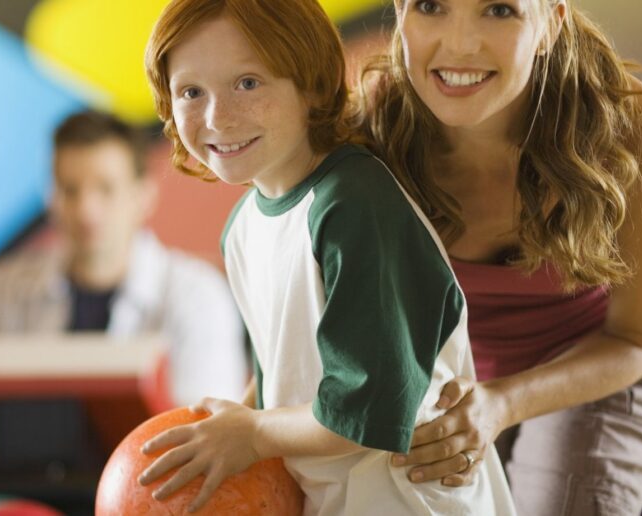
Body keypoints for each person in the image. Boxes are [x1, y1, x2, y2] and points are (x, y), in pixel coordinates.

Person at [136, 0, 516, 514]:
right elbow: (287, 367)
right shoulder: (245, 226)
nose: (216, 117)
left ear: (312, 85)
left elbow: (369, 410)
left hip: (411, 501)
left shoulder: (353, 203)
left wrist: (250, 432)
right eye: (191, 92)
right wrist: (237, 419)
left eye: (248, 83)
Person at [360, 1, 642, 514]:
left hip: (595, 366)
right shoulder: (372, 127)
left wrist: (504, 402)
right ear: (401, 10)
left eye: (499, 9)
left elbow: (632, 341)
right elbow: (318, 301)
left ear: (550, 22)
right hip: (443, 376)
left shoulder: (640, 132)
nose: (461, 43)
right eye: (430, 6)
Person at [0, 109, 248, 408]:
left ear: (143, 196)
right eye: (70, 190)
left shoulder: (198, 296)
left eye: (106, 189)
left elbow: (208, 428)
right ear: (50, 197)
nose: (86, 210)